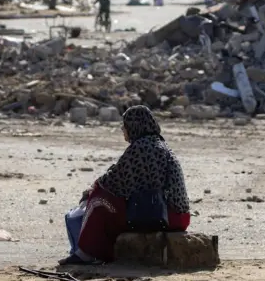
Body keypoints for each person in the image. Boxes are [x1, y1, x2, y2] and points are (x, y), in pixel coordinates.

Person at [59, 105, 191, 265]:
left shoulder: (141, 148)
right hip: (178, 216)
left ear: (133, 126)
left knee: (98, 201)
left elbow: (111, 182)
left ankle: (87, 253)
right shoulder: (159, 145)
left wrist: (91, 190)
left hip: (164, 215)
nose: (123, 130)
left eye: (124, 126)